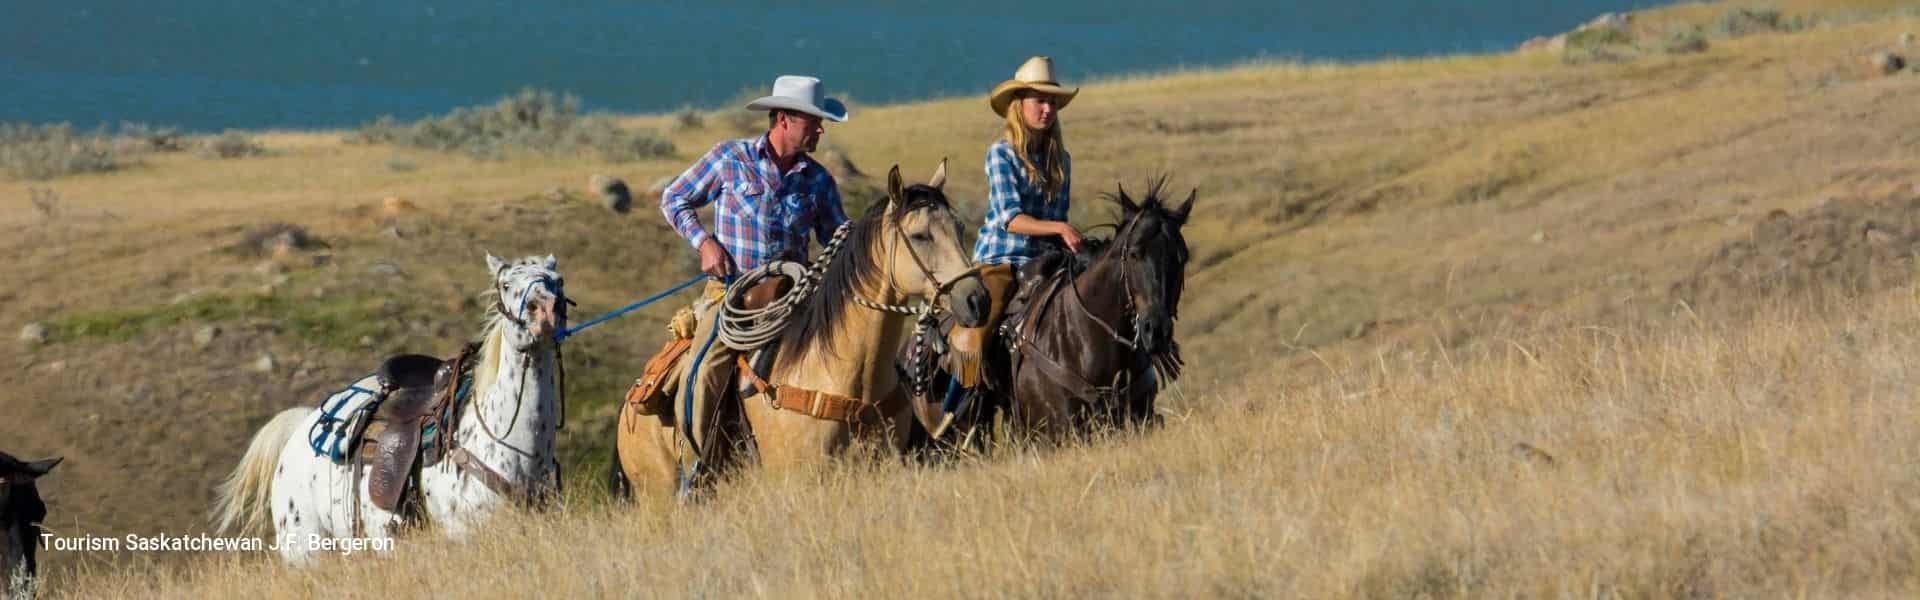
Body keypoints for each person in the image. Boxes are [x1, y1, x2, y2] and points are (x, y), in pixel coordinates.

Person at [653, 75, 849, 457]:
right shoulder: (730, 158)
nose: (821, 130)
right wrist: (705, 243)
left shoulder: (819, 181)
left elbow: (836, 240)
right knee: (706, 367)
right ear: (784, 120)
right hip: (732, 296)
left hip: (793, 299)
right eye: (814, 122)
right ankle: (696, 463)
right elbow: (673, 197)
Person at [944, 56, 1081, 386]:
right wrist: (1060, 229)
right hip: (1003, 261)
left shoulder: (1061, 160)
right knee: (975, 332)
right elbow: (1011, 219)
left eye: (1053, 102)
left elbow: (1058, 218)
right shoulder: (1001, 153)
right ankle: (959, 401)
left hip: (1048, 263)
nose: (1047, 109)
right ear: (1019, 105)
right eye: (1040, 101)